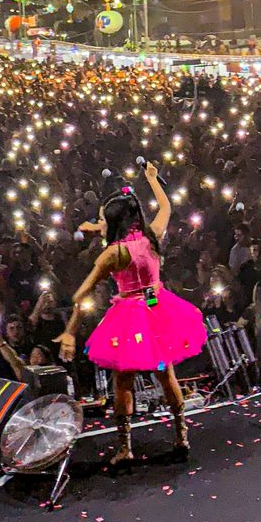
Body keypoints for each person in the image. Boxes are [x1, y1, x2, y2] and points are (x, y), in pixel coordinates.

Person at [57, 162, 205, 464]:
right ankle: (181, 436)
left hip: (130, 318)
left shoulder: (113, 254)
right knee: (166, 374)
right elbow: (166, 205)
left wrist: (70, 331)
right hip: (158, 310)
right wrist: (152, 179)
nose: (99, 223)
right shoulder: (152, 235)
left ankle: (125, 448)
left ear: (114, 222)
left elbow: (80, 294)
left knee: (123, 381)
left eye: (103, 220)